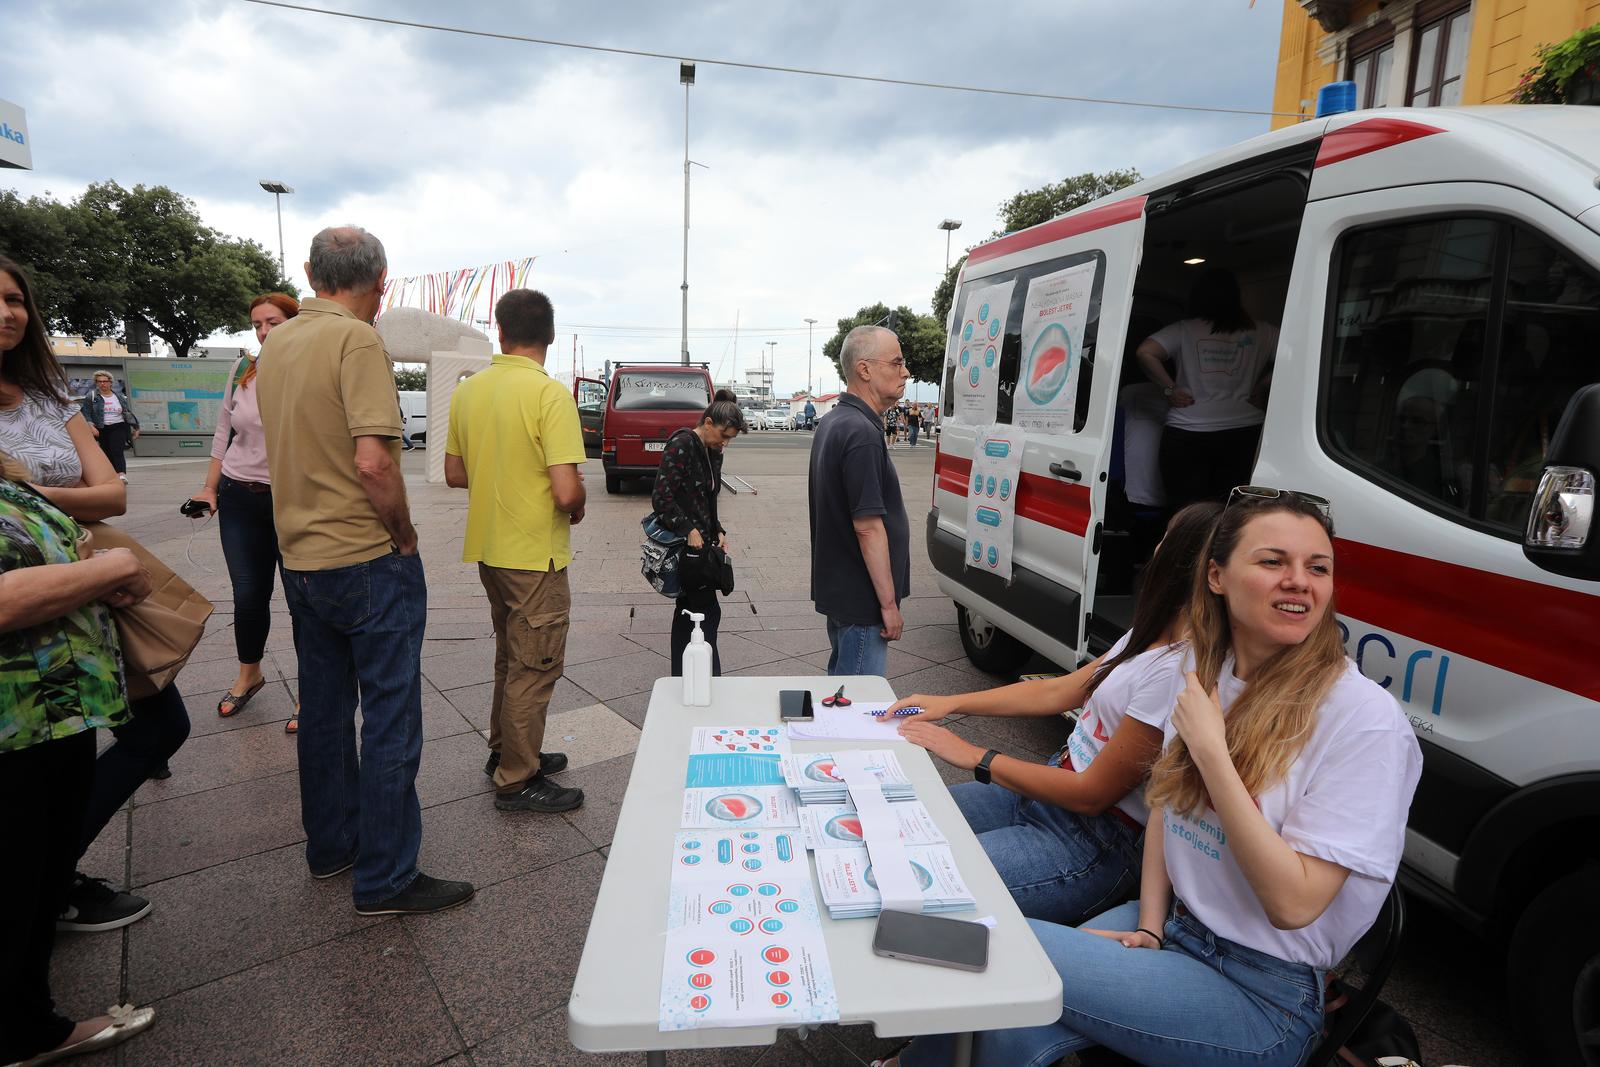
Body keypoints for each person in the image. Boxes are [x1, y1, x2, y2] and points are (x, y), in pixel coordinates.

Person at [893, 490, 1423, 1067]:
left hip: (1261, 991)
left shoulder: (1366, 723)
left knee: (982, 945)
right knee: (1002, 1025)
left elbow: (1293, 904)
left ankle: (839, 969)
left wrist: (1212, 753)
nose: (1299, 581)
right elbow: (1168, 809)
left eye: (1317, 567)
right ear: (1216, 576)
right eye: (1273, 562)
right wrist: (1150, 922)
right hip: (1177, 926)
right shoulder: (1206, 670)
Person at [256, 225, 473, 916]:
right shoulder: (356, 340)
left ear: (313, 273)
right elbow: (374, 461)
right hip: (364, 558)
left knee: (322, 710)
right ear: (379, 279)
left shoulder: (278, 341)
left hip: (300, 560)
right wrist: (404, 536)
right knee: (389, 715)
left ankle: (332, 846)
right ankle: (386, 875)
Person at [882, 502, 1221, 925]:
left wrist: (976, 756)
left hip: (1091, 841)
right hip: (1045, 791)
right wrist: (951, 702)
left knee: (917, 884)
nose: (1153, 550)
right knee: (894, 825)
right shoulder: (1151, 633)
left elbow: (1092, 793)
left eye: (1165, 539)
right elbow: (1061, 690)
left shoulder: (1180, 667)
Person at [0, 255, 190, 933]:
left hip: (90, 593)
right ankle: (45, 885)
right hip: (20, 616)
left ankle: (53, 873)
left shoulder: (48, 396)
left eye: (15, 298)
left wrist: (30, 491)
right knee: (39, 770)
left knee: (161, 725)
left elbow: (112, 490)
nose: (6, 312)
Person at [0, 449, 159, 1066]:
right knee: (19, 874)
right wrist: (110, 567)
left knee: (36, 870)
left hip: (55, 710)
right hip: (19, 722)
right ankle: (23, 1031)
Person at [444, 288, 586, 815]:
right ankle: (516, 779)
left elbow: (455, 473)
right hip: (534, 553)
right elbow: (567, 492)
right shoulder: (549, 395)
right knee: (537, 662)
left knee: (511, 654)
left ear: (499, 332)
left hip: (489, 546)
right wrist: (579, 502)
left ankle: (506, 749)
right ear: (549, 335)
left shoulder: (468, 392)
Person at [189, 292, 302, 731]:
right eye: (257, 324)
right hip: (239, 495)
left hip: (291, 498)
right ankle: (249, 673)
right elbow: (224, 431)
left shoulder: (305, 369)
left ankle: (310, 688)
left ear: (295, 323)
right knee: (248, 593)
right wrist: (209, 488)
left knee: (301, 599)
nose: (263, 332)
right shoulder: (242, 371)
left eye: (273, 322)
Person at [809, 325, 910, 677]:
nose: (905, 372)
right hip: (862, 600)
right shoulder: (862, 433)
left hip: (842, 592)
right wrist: (888, 604)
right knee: (857, 710)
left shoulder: (835, 421)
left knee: (841, 695)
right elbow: (868, 527)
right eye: (896, 362)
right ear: (864, 369)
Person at [1135, 268, 1278, 509]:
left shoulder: (1184, 329)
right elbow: (1294, 356)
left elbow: (1145, 352)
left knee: (1187, 509)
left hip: (1189, 429)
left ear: (1198, 298)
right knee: (1231, 509)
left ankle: (1188, 547)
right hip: (1244, 431)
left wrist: (1170, 390)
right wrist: (1263, 384)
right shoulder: (1263, 331)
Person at [652, 388, 745, 678]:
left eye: (730, 438)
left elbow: (709, 496)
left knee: (692, 612)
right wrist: (688, 528)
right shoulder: (682, 444)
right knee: (701, 611)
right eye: (723, 435)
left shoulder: (712, 450)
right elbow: (661, 498)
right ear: (707, 423)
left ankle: (690, 676)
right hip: (686, 545)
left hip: (704, 543)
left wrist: (717, 528)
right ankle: (702, 677)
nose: (725, 443)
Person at [79, 371, 140, 481]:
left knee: (117, 450)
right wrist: (91, 426)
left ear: (110, 382)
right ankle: (112, 475)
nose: (102, 384)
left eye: (105, 381)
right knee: (106, 452)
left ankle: (121, 474)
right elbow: (86, 413)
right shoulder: (91, 396)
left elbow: (127, 413)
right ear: (96, 383)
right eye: (99, 381)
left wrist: (136, 427)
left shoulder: (119, 397)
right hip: (102, 428)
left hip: (118, 426)